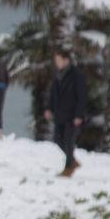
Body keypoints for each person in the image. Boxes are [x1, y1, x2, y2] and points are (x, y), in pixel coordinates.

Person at [43, 49, 87, 178]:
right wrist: (49, 109)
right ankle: (72, 160)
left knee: (69, 141)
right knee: (57, 138)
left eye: (59, 60)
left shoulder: (76, 75)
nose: (56, 63)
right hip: (59, 113)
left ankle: (68, 167)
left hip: (72, 114)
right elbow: (53, 94)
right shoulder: (58, 75)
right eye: (56, 60)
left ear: (66, 60)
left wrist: (79, 115)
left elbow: (82, 96)